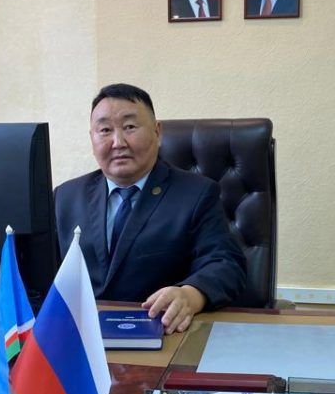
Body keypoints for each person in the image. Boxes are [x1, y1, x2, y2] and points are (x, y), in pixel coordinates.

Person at [54, 84, 247, 334]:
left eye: (130, 127)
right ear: (92, 138)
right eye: (105, 130)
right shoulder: (66, 196)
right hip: (79, 337)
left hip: (162, 331)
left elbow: (225, 263)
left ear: (157, 132)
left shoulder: (197, 194)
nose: (118, 142)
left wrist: (190, 295)